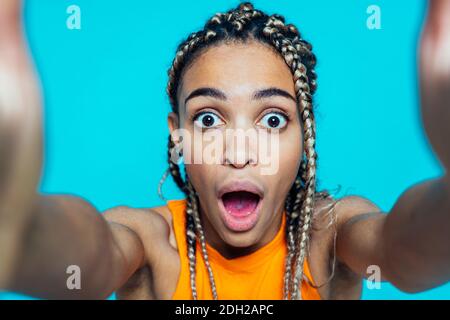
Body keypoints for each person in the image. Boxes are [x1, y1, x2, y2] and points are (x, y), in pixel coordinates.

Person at [0, 1, 449, 300]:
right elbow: (85, 259)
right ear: (178, 138)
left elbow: (405, 250)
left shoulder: (327, 240)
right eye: (208, 119)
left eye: (273, 119)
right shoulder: (150, 245)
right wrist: (14, 218)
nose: (240, 153)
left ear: (304, 135)